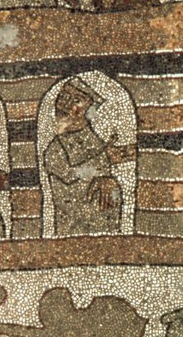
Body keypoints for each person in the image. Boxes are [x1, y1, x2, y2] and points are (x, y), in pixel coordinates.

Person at [41, 78, 135, 236]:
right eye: (63, 96)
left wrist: (108, 179)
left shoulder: (93, 138)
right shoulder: (56, 146)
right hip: (72, 223)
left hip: (102, 223)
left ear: (89, 108)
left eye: (76, 100)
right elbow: (67, 174)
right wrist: (103, 160)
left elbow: (107, 166)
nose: (65, 104)